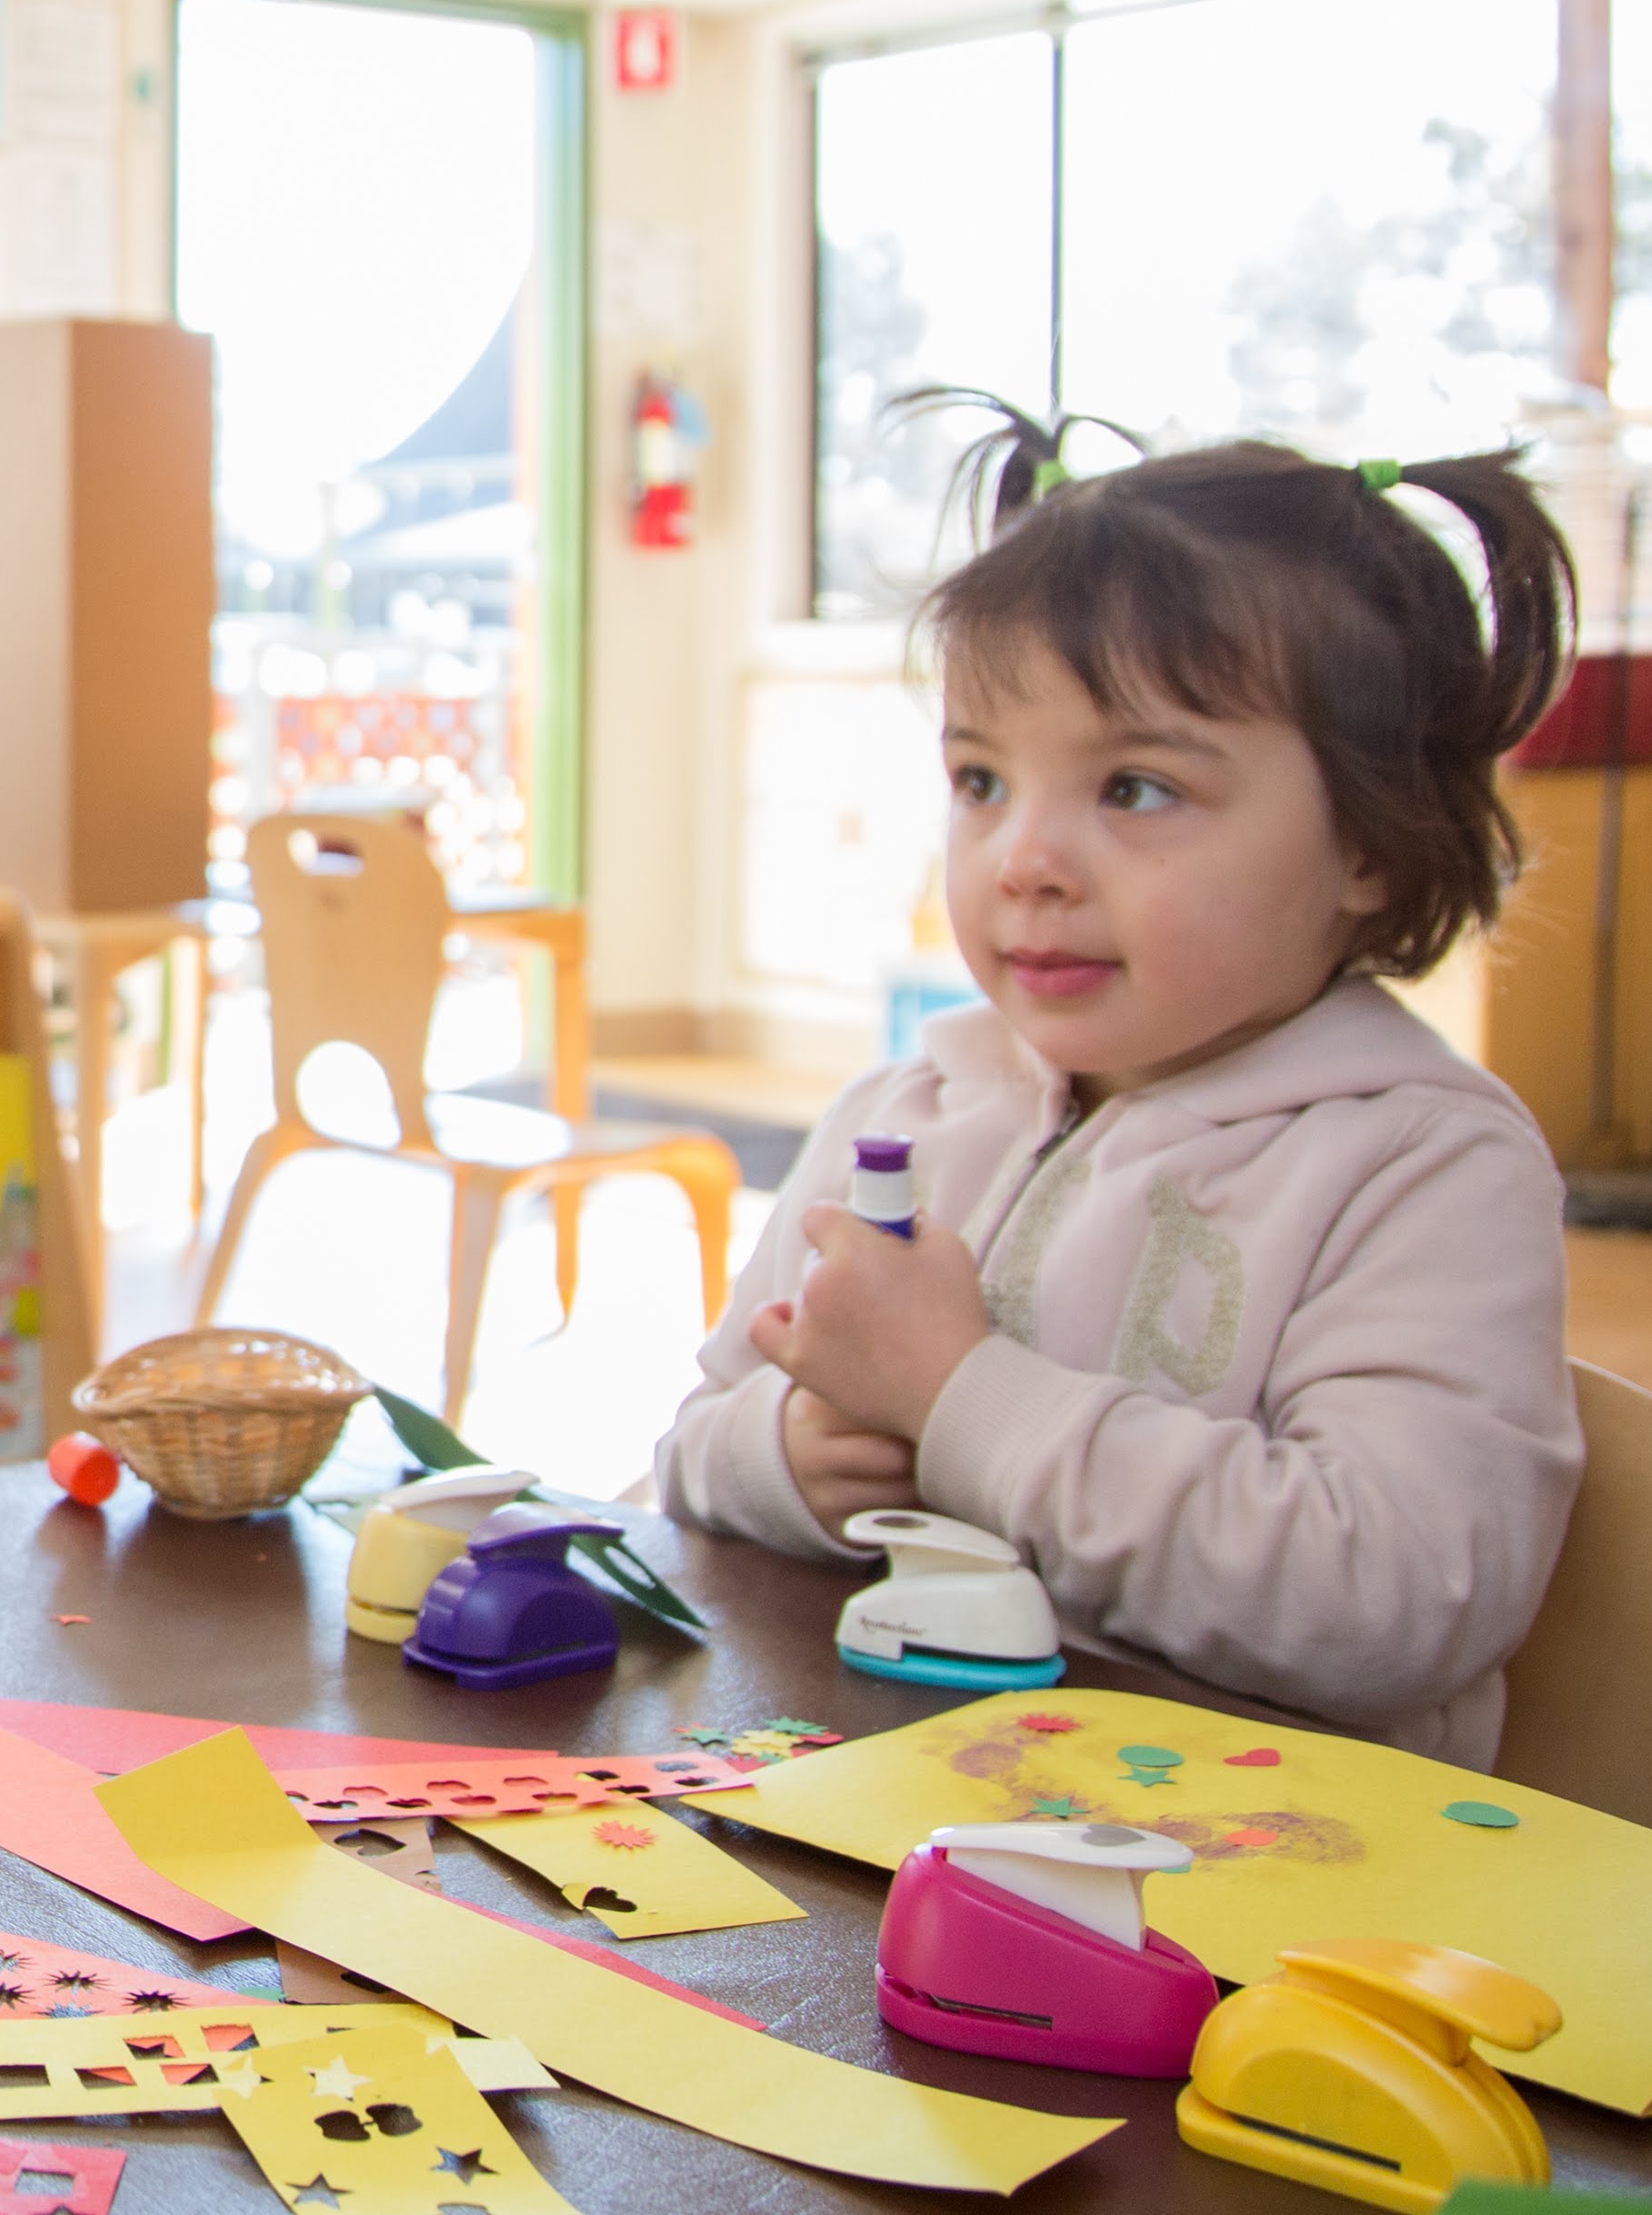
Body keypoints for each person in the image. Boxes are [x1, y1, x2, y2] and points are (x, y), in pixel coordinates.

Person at [656, 407, 1584, 1763]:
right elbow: (690, 1450)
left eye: (1136, 788)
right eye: (980, 778)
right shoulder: (905, 1110)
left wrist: (957, 1393)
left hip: (1253, 1889)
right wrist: (786, 1458)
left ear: (1370, 845)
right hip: (893, 1815)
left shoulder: (1421, 1165)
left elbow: (1396, 1595)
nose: (1022, 857)